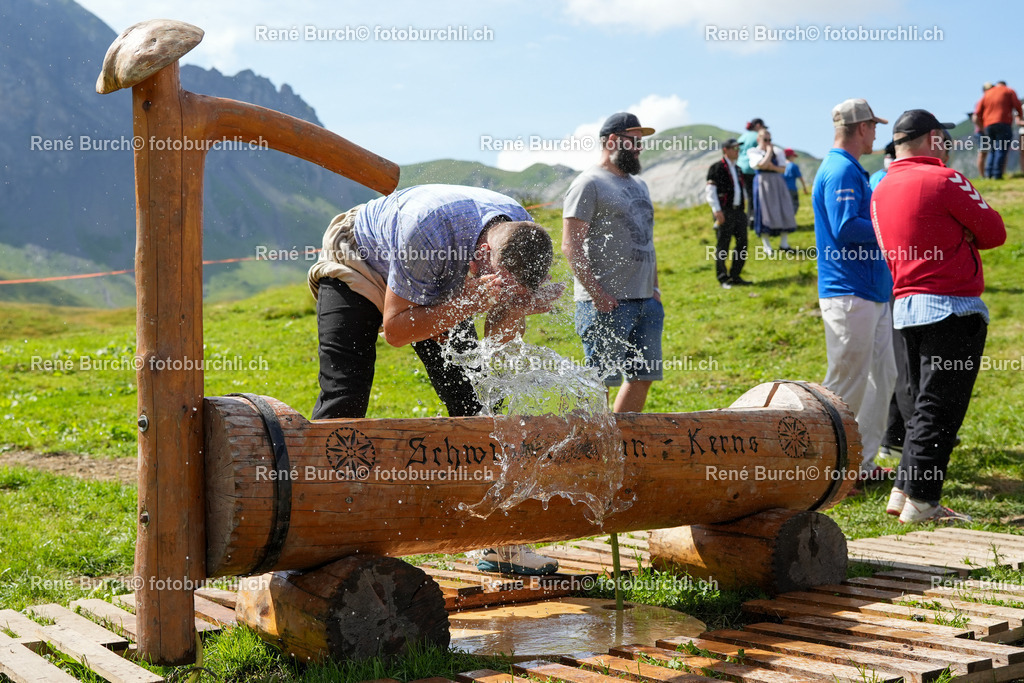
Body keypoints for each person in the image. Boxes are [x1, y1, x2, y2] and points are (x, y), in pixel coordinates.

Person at [308, 183, 565, 574]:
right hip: (361, 259)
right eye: (501, 287)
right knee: (346, 395)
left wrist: (519, 308)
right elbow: (395, 329)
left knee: (480, 404)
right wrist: (471, 303)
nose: (502, 294)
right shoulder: (425, 230)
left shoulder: (521, 234)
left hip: (446, 277)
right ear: (482, 257)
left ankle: (501, 544)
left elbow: (495, 346)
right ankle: (314, 534)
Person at [871, 109, 1006, 523]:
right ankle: (924, 501)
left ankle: (904, 492)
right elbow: (995, 232)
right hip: (952, 304)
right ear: (932, 139)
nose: (947, 144)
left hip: (906, 306)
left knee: (922, 403)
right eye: (944, 138)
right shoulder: (945, 178)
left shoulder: (881, 187)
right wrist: (961, 232)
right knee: (940, 407)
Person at [812, 98, 895, 482]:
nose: (877, 132)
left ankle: (859, 465)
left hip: (869, 291)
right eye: (874, 126)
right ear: (862, 128)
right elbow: (846, 229)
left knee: (884, 377)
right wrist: (891, 226)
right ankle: (825, 469)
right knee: (846, 384)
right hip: (850, 292)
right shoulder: (842, 170)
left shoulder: (848, 168)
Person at [562, 112, 663, 413]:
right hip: (606, 303)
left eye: (641, 141)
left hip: (646, 301)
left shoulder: (640, 185)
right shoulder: (588, 184)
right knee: (599, 381)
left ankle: (620, 443)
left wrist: (655, 290)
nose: (639, 147)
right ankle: (593, 449)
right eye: (634, 141)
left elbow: (647, 239)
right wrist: (596, 293)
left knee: (643, 377)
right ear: (613, 141)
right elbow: (570, 246)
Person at [705, 138, 749, 289]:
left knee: (742, 244)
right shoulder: (716, 168)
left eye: (738, 148)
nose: (737, 151)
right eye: (734, 148)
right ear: (726, 150)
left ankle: (735, 275)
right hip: (724, 211)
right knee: (723, 245)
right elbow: (710, 191)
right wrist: (717, 210)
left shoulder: (738, 169)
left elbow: (740, 190)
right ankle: (723, 277)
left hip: (739, 211)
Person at [747, 129, 797, 254]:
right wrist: (769, 152)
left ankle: (784, 243)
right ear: (759, 139)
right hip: (763, 182)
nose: (768, 142)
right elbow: (761, 165)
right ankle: (767, 245)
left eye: (770, 140)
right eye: (765, 140)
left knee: (784, 208)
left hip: (777, 182)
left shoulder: (778, 151)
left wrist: (771, 166)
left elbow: (782, 169)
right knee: (765, 211)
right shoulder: (753, 151)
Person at [975, 80, 1023, 179]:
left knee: (992, 150)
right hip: (1003, 123)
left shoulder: (987, 93)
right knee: (1001, 148)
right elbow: (1017, 105)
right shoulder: (1008, 90)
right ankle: (997, 174)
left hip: (988, 125)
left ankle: (989, 174)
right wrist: (1020, 115)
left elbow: (978, 112)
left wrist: (982, 126)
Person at [736, 118, 766, 215]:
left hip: (740, 167)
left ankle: (745, 217)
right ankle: (753, 217)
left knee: (744, 195)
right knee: (753, 195)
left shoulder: (742, 137)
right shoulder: (758, 137)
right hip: (753, 169)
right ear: (758, 125)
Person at [971, 83, 993, 178]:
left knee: (990, 152)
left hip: (987, 130)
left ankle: (988, 175)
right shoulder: (982, 101)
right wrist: (983, 129)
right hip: (982, 132)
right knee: (983, 152)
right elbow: (975, 117)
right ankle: (982, 176)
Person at [783, 148, 808, 214]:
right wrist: (804, 188)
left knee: (785, 205)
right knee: (795, 204)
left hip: (783, 189)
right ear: (791, 156)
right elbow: (800, 178)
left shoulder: (781, 165)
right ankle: (790, 220)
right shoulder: (793, 166)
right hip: (792, 189)